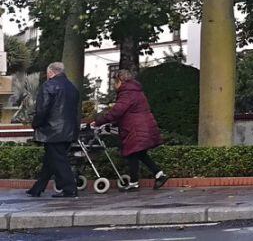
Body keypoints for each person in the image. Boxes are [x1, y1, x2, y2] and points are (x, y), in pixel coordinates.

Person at [91, 69, 168, 191]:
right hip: (140, 126)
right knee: (140, 153)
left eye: (114, 82)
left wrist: (99, 121)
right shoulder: (135, 91)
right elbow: (127, 111)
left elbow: (117, 111)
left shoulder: (127, 93)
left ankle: (134, 182)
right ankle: (159, 174)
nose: (113, 85)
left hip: (135, 128)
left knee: (131, 153)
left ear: (120, 80)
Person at [27, 62, 80, 198]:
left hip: (53, 130)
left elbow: (42, 109)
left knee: (59, 160)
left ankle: (70, 189)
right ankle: (37, 188)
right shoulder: (72, 87)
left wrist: (36, 123)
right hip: (68, 129)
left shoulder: (49, 85)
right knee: (51, 159)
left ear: (51, 72)